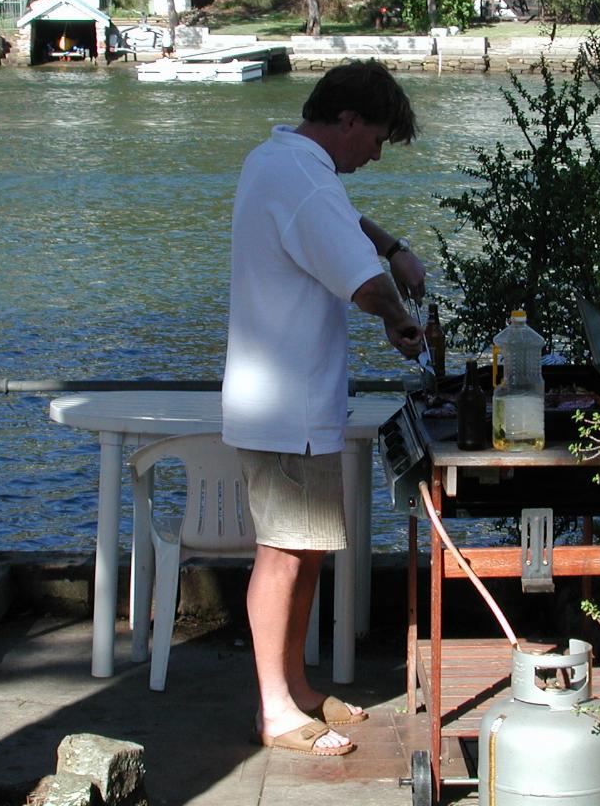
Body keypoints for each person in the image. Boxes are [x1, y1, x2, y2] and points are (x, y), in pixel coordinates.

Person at [221, 60, 425, 757]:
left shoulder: (282, 159)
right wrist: (401, 321)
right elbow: (365, 287)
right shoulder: (305, 176)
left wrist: (392, 244)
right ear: (347, 121)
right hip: (288, 400)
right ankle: (275, 709)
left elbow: (336, 217)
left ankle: (298, 688)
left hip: (286, 399)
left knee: (303, 552)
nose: (376, 154)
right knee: (281, 554)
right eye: (376, 138)